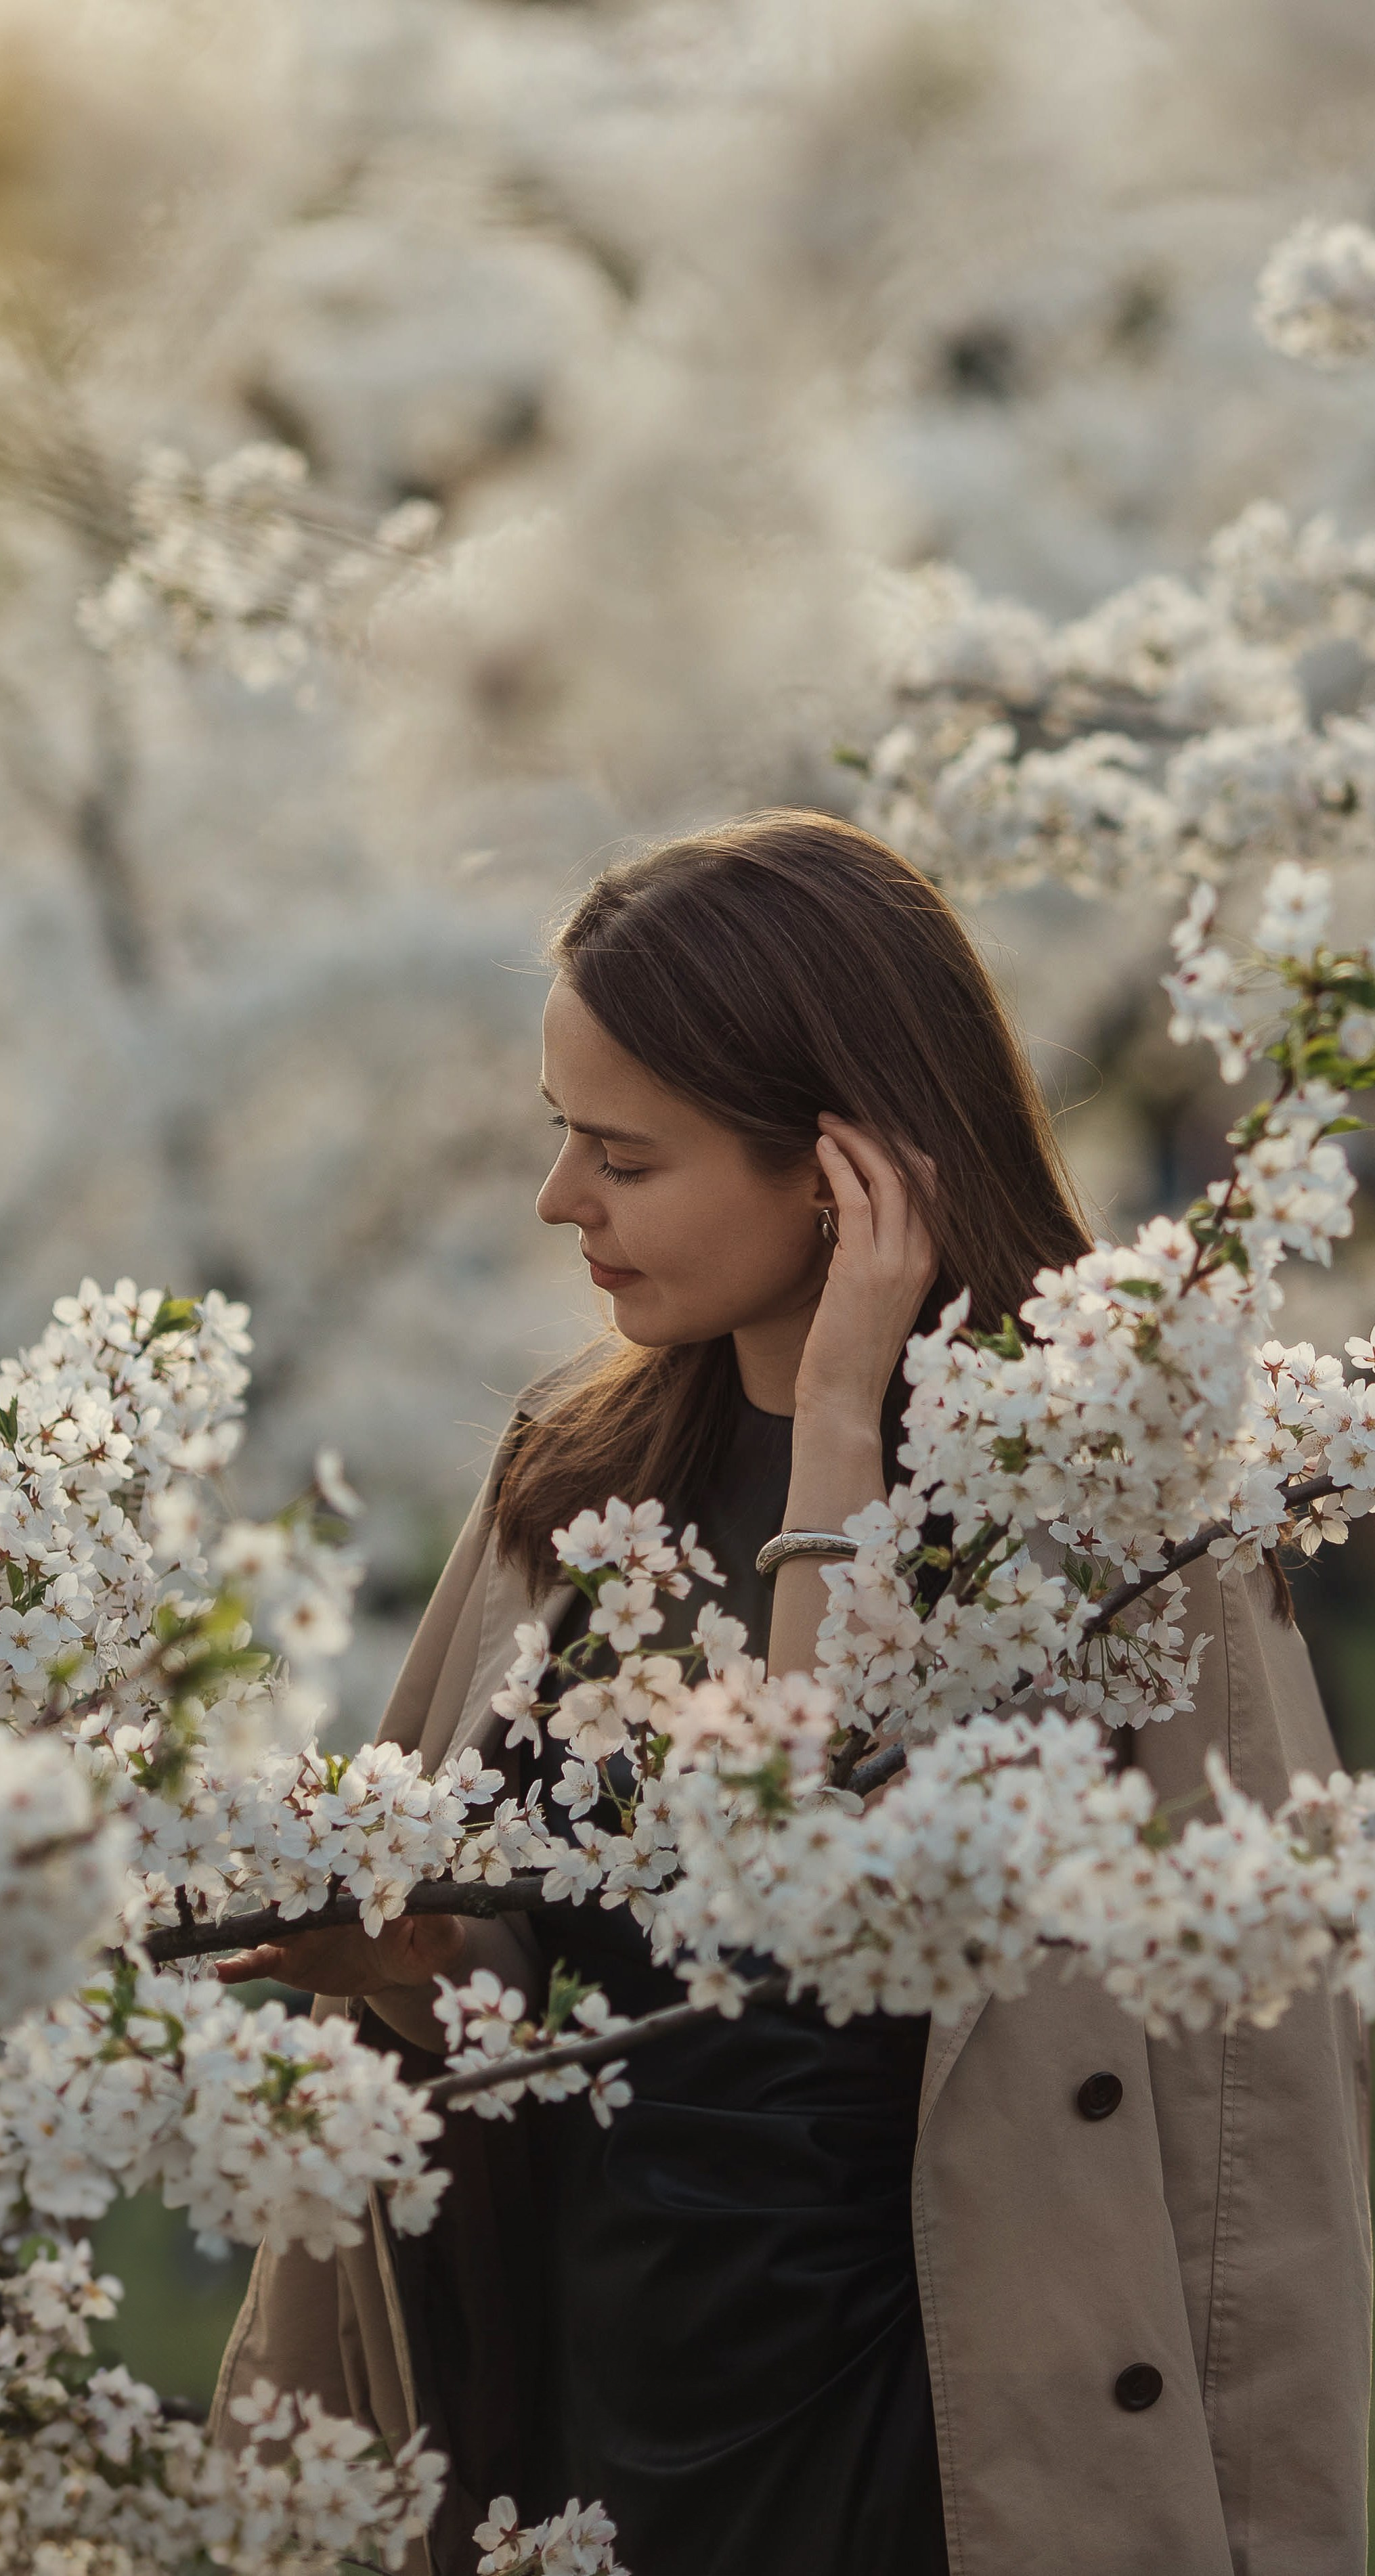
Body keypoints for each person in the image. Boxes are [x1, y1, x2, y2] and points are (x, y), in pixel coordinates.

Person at [211, 812, 1372, 2576]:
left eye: (623, 1153)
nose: (558, 1203)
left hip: (946, 2455)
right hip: (591, 2439)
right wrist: (421, 1974)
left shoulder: (1112, 1503)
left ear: (839, 1173)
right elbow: (589, 2027)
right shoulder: (567, 1488)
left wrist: (840, 1426)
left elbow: (1246, 2128)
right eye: (560, 1137)